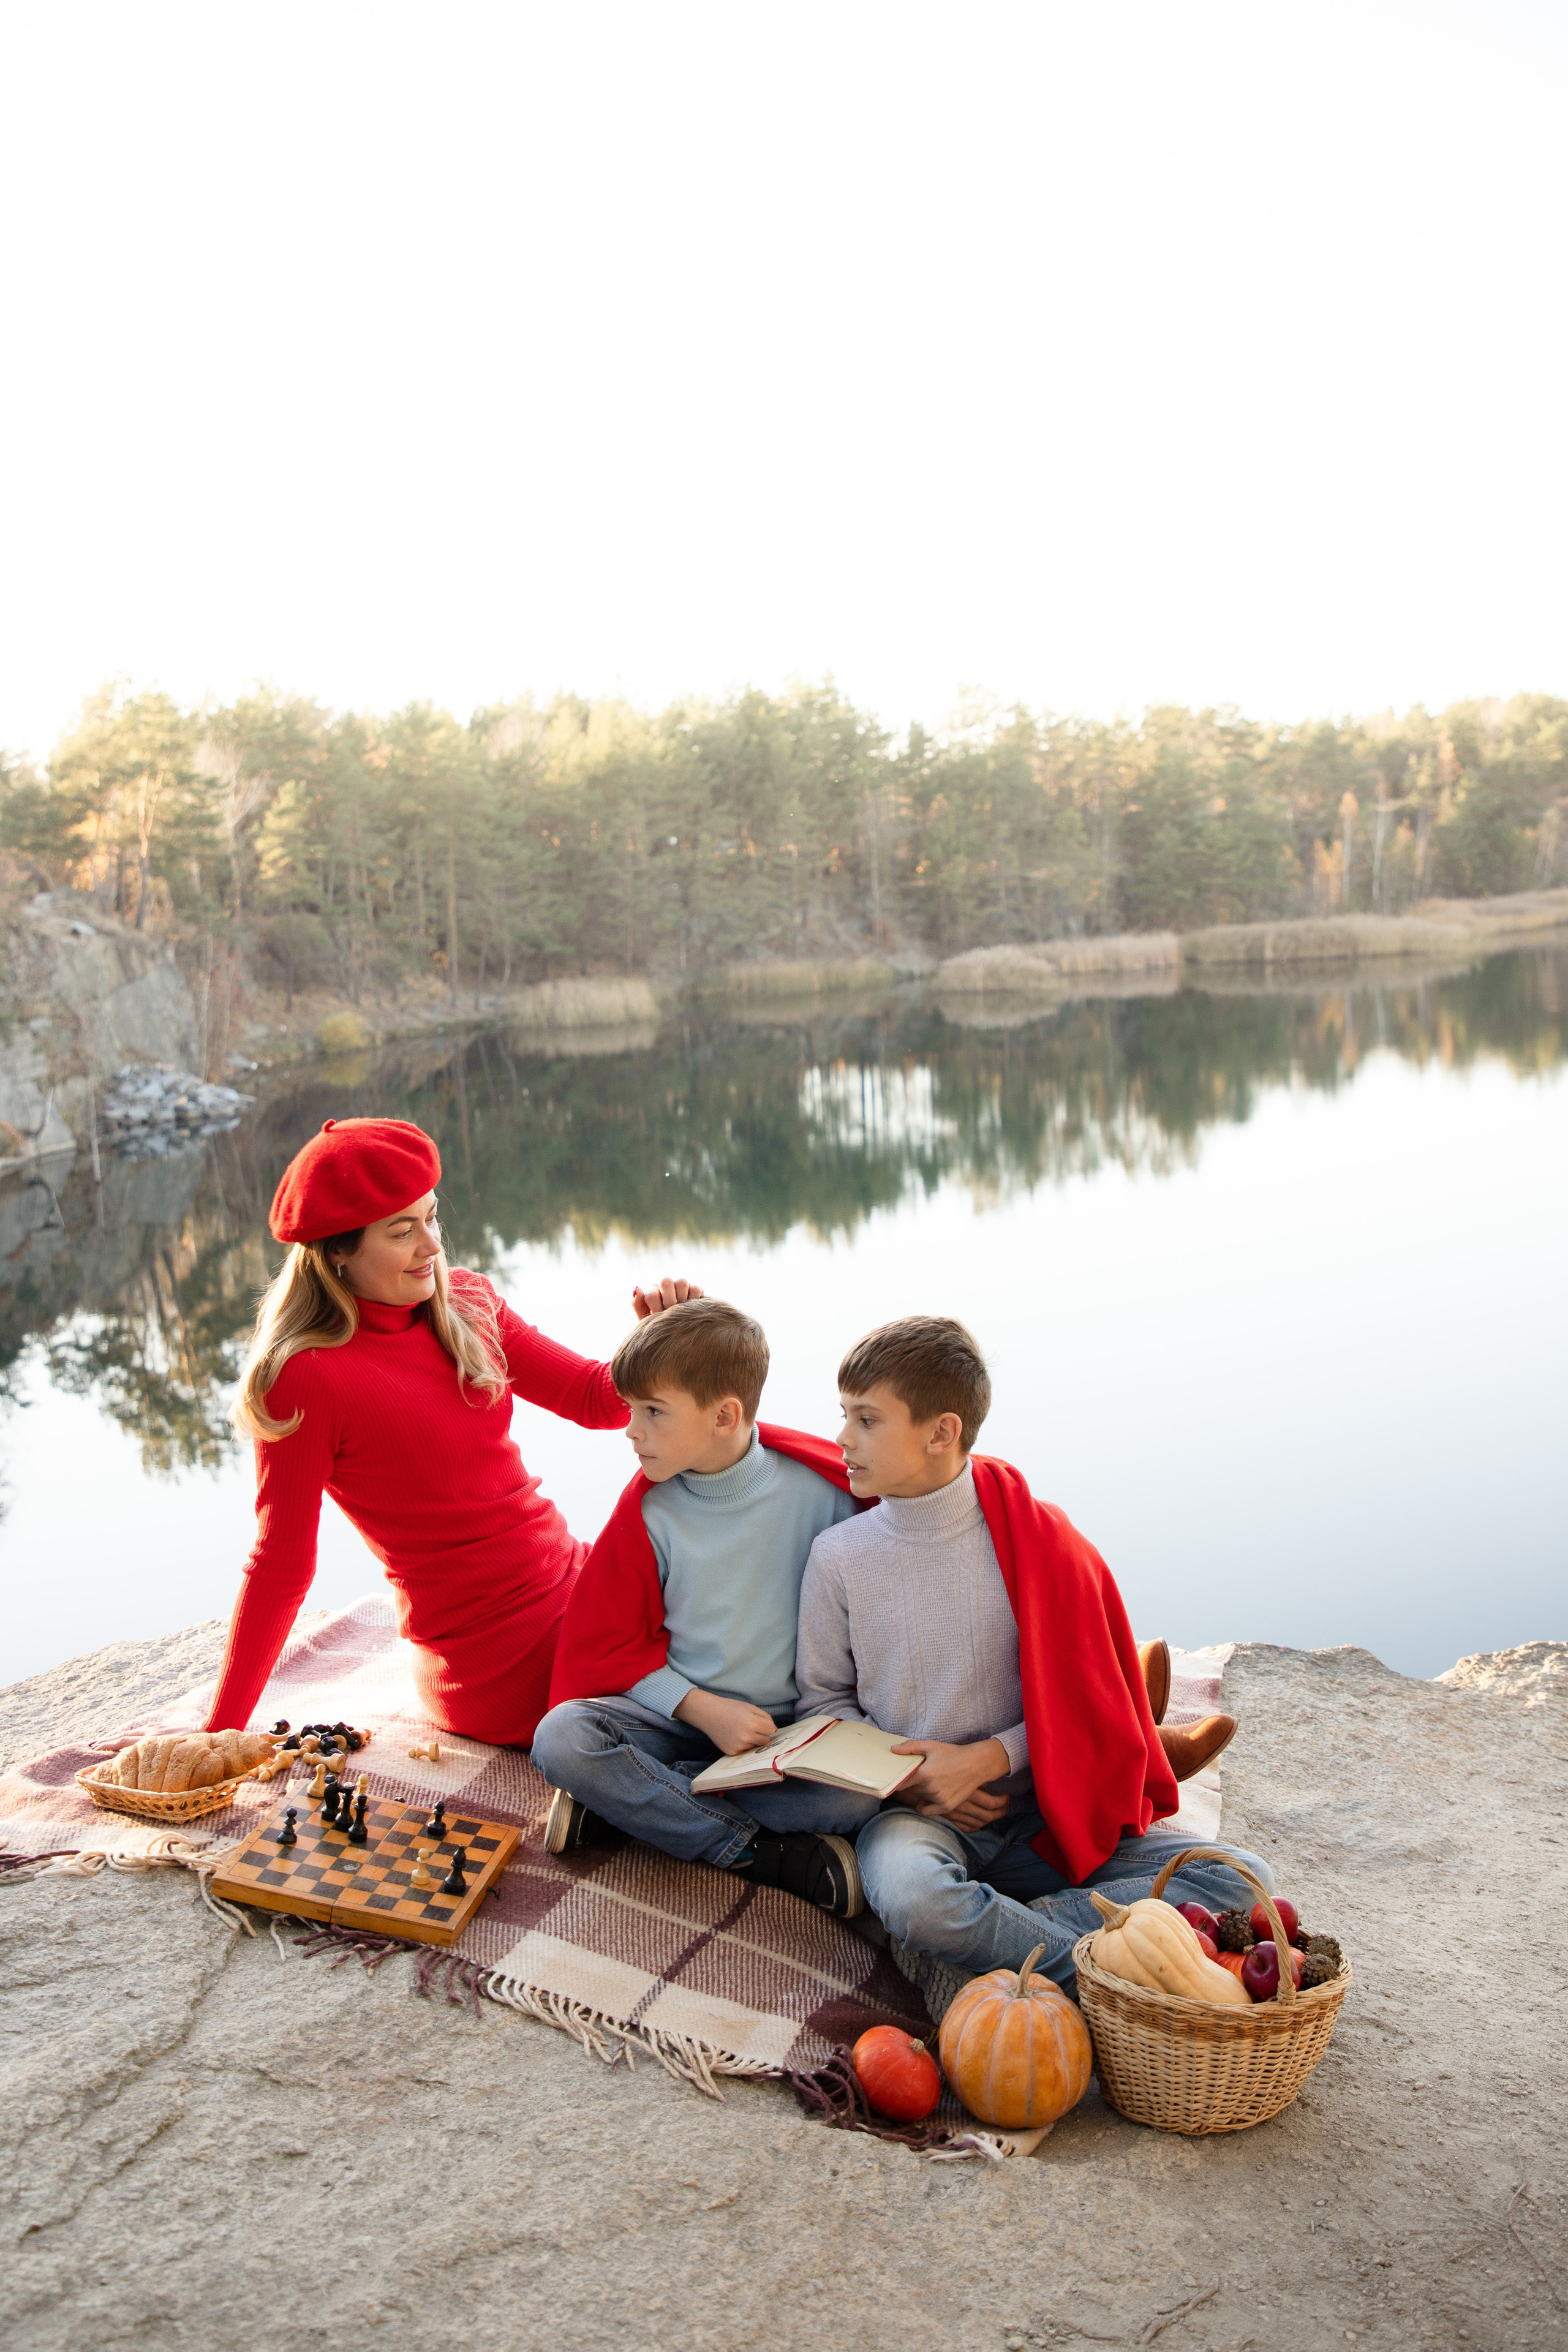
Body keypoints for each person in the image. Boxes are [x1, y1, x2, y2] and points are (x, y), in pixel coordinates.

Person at [795, 1314, 1273, 1989]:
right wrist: (920, 1779)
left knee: (1243, 1882)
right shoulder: (838, 1558)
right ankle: (1104, 1960)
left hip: (1044, 1814)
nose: (843, 1439)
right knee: (916, 1900)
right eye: (844, 1415)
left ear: (941, 1432)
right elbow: (824, 1702)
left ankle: (1026, 1932)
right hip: (916, 1818)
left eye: (867, 1420)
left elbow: (1086, 1703)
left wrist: (986, 1760)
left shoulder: (1038, 1538)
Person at [206, 1115, 699, 1746]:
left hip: (577, 1582)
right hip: (492, 1657)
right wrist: (218, 1731)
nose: (432, 1245)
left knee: (752, 1605)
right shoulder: (306, 1377)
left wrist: (661, 1337)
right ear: (338, 1252)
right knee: (714, 1689)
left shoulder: (469, 1302)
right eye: (402, 1230)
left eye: (431, 1217)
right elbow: (280, 1563)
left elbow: (595, 1400)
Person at [533, 1298, 877, 1916]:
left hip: (786, 1734)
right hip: (681, 1722)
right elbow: (610, 1644)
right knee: (563, 1739)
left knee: (853, 1803)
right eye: (632, 1409)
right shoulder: (653, 1512)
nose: (631, 1429)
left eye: (652, 1412)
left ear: (725, 1416)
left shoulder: (824, 1493)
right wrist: (704, 1709)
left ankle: (631, 1810)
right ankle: (755, 1853)